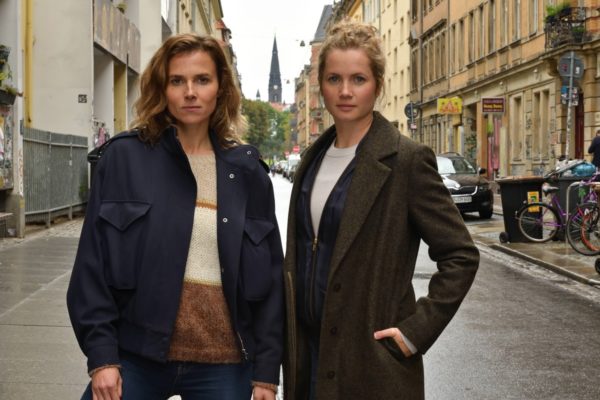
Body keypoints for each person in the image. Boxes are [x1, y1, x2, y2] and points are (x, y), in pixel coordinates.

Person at [67, 33, 283, 400]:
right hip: (137, 355)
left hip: (225, 363)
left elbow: (271, 283)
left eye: (202, 80)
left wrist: (265, 374)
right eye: (177, 81)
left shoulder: (247, 172)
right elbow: (92, 266)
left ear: (221, 88)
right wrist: (102, 357)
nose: (190, 92)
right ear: (162, 89)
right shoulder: (124, 159)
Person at [282, 20, 479, 400]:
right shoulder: (311, 160)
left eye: (358, 79)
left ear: (378, 85)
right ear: (320, 84)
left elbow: (460, 255)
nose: (345, 91)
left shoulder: (406, 160)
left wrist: (415, 333)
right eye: (334, 79)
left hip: (371, 363)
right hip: (308, 356)